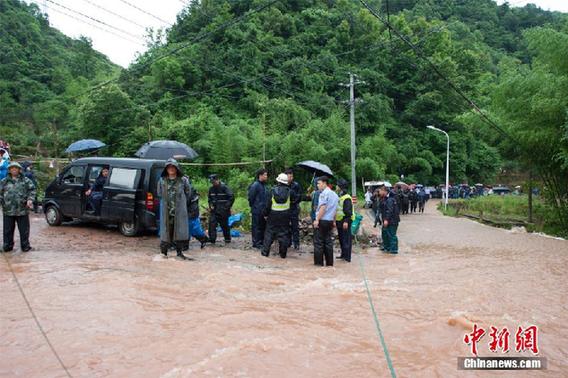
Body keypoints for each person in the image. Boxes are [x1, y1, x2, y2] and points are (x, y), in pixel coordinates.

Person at [157, 159, 190, 260]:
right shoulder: (162, 180)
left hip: (179, 211)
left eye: (173, 167)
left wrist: (182, 204)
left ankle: (179, 253)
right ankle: (164, 253)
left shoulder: (183, 180)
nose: (171, 169)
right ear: (166, 169)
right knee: (165, 231)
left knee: (179, 231)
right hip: (166, 211)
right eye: (169, 167)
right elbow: (159, 194)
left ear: (176, 168)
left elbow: (188, 193)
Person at [0, 162, 36, 252]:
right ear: (9, 170)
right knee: (7, 230)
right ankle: (7, 246)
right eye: (12, 168)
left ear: (19, 170)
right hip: (8, 210)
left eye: (16, 168)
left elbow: (32, 190)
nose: (14, 169)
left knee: (24, 230)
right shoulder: (4, 181)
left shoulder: (26, 180)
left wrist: (30, 199)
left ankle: (25, 246)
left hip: (22, 210)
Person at [262, 173, 291, 259]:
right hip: (285, 216)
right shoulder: (290, 192)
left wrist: (265, 214)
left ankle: (265, 253)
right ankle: (283, 254)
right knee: (284, 234)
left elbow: (267, 205)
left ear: (278, 181)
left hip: (273, 215)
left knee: (269, 233)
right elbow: (296, 200)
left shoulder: (272, 191)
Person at [313, 176, 338, 266]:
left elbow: (323, 208)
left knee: (319, 242)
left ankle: (319, 264)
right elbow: (335, 210)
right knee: (328, 242)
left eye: (318, 183)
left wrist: (317, 219)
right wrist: (334, 221)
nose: (317, 185)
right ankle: (329, 263)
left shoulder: (323, 194)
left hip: (322, 220)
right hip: (330, 221)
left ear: (324, 183)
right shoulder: (335, 195)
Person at [208, 174, 234, 244]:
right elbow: (209, 199)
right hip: (214, 211)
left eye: (214, 181)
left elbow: (231, 197)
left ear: (218, 180)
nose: (213, 183)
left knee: (224, 226)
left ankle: (227, 239)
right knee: (212, 225)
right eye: (211, 182)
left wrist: (226, 207)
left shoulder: (225, 188)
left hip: (223, 211)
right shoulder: (211, 189)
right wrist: (210, 206)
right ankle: (212, 240)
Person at [248, 168, 269, 249]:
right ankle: (256, 243)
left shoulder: (264, 185)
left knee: (262, 227)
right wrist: (255, 207)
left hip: (263, 211)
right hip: (256, 210)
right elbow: (251, 198)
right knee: (256, 227)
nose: (266, 176)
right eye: (265, 175)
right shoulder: (255, 185)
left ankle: (261, 242)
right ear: (260, 176)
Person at [335, 179, 354, 262]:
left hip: (345, 221)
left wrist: (346, 221)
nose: (336, 186)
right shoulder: (341, 196)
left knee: (346, 239)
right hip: (339, 221)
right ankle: (343, 255)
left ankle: (347, 257)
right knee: (341, 239)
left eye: (337, 185)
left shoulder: (347, 198)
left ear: (340, 187)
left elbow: (348, 211)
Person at [186, 184, 209, 249]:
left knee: (190, 228)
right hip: (191, 212)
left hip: (191, 212)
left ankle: (185, 245)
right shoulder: (188, 189)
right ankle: (203, 239)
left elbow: (186, 201)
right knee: (192, 229)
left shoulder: (189, 190)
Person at [379, 185, 400, 254]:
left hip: (392, 221)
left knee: (391, 235)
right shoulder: (384, 198)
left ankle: (394, 250)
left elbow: (389, 210)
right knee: (385, 234)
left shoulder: (390, 199)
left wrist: (386, 220)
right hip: (388, 220)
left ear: (384, 191)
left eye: (380, 191)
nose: (379, 192)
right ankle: (387, 247)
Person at [285, 168, 302, 250]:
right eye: (289, 176)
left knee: (295, 226)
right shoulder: (283, 184)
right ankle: (288, 242)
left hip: (294, 207)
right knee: (286, 226)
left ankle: (296, 243)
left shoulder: (296, 185)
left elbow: (299, 196)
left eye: (292, 176)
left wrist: (293, 200)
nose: (291, 178)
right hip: (285, 208)